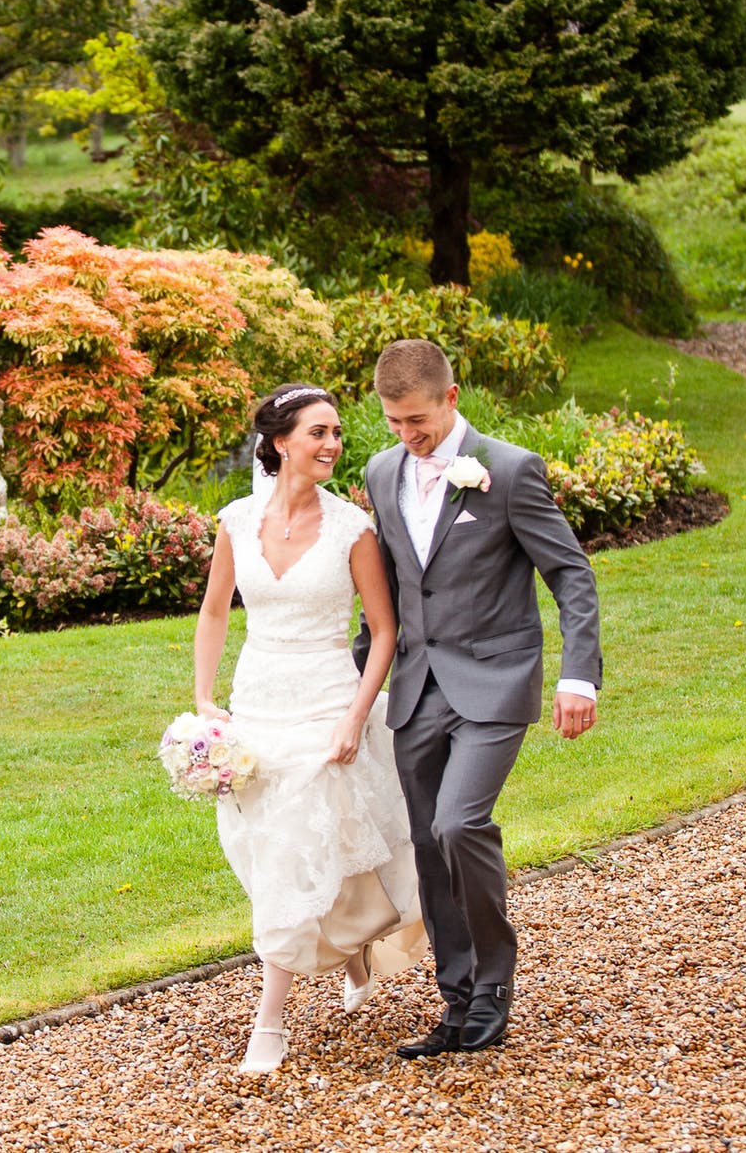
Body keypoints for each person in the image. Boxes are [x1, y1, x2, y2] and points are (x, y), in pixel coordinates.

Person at [351, 339, 601, 1059]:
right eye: (395, 422)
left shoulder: (510, 471)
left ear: (451, 398)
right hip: (416, 689)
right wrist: (354, 684)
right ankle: (455, 1002)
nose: (407, 435)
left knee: (461, 825)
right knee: (429, 847)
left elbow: (571, 576)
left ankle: (494, 983)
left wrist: (577, 676)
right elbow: (394, 594)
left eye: (418, 420)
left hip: (494, 680)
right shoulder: (380, 471)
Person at [193, 382, 428, 1076]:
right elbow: (214, 612)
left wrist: (357, 715)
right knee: (270, 851)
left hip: (327, 704)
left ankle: (270, 1023)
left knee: (298, 843)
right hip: (257, 702)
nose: (332, 444)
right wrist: (204, 699)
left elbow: (384, 631)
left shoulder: (353, 529)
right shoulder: (236, 520)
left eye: (336, 433)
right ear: (279, 441)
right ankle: (350, 954)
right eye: (318, 433)